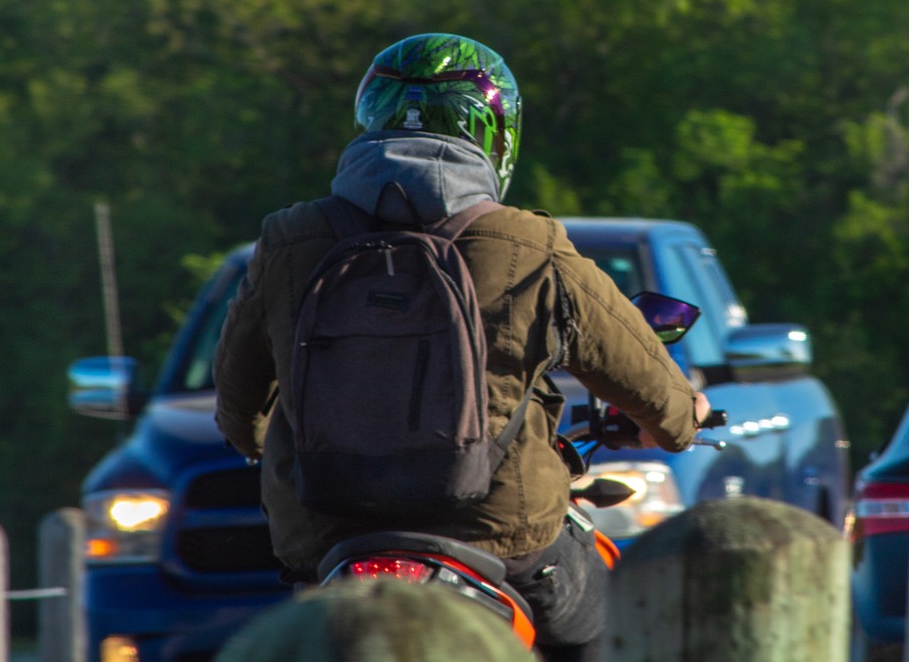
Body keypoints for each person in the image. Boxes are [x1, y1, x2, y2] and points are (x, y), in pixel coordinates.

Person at [213, 32, 710, 661]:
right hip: (500, 532)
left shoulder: (288, 240)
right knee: (608, 620)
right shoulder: (530, 244)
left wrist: (266, 446)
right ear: (495, 133)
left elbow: (236, 407)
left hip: (327, 532)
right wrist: (678, 421)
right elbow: (647, 382)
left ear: (369, 118)